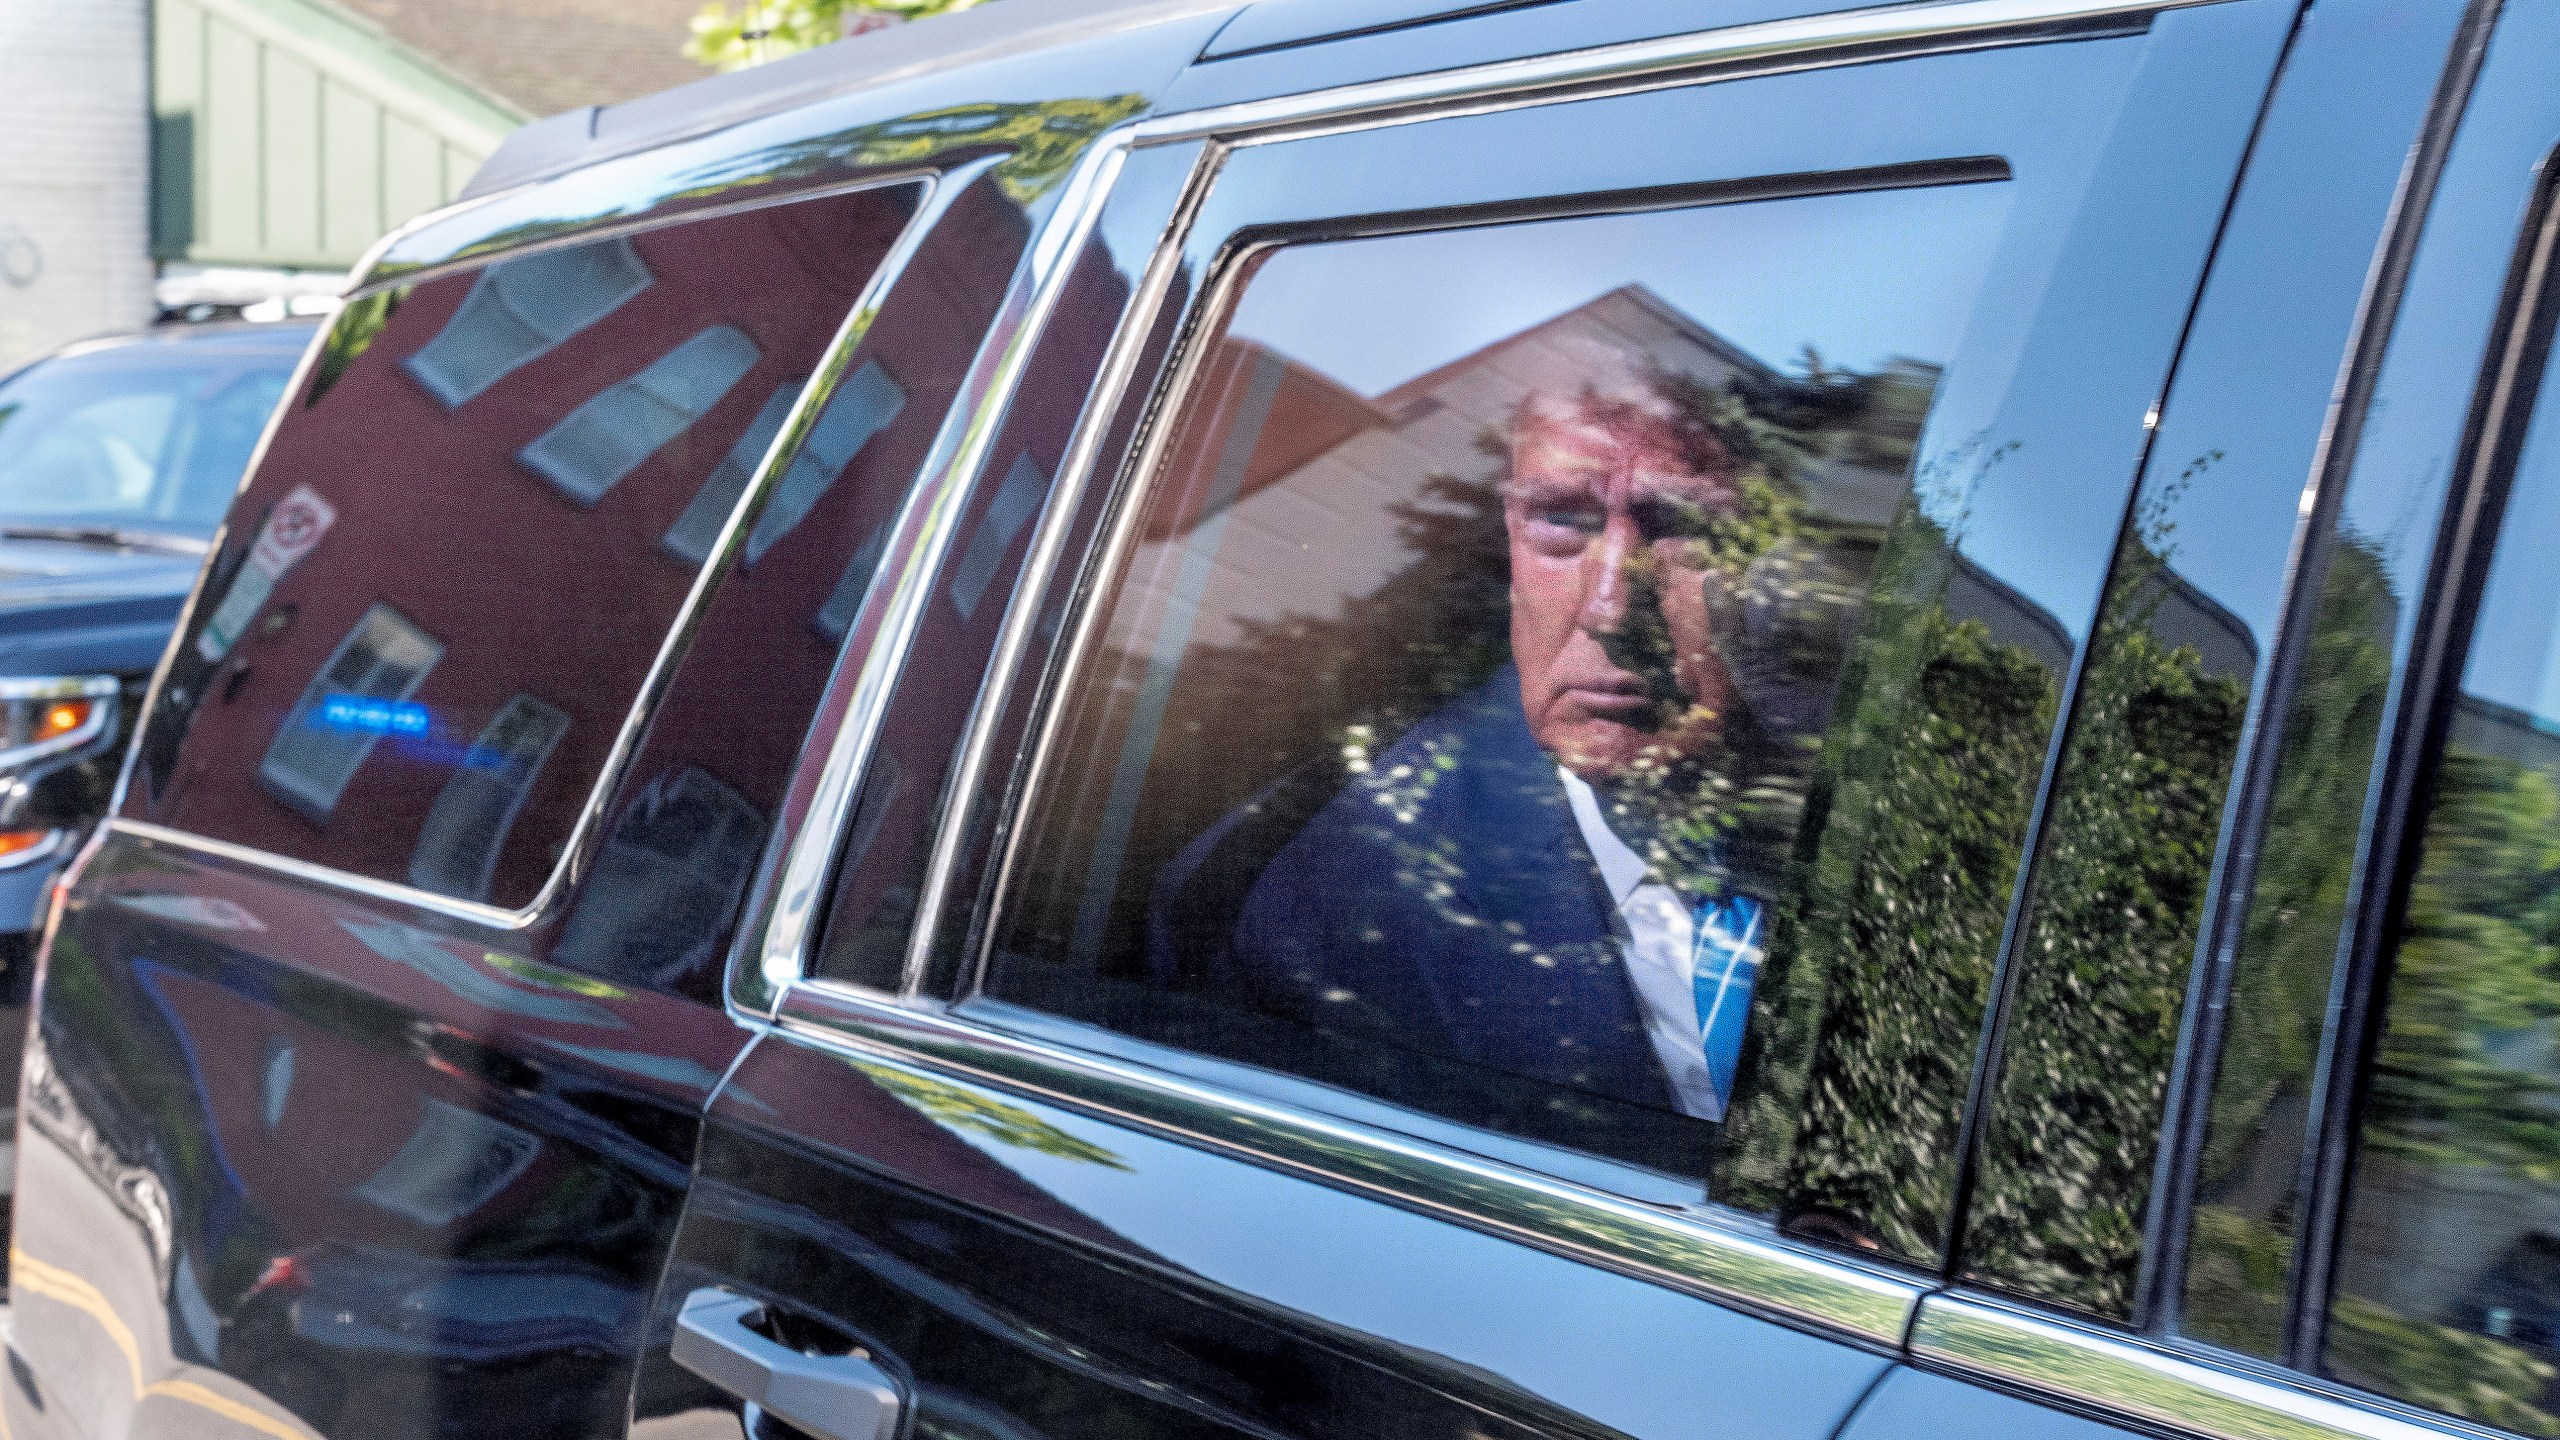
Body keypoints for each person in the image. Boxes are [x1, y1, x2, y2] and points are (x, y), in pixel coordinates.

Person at [1150, 354, 1785, 1122]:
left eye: (1681, 527)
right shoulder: (1307, 914)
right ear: (1510, 541)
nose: (1611, 607)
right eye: (1559, 521)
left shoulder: (1880, 773)